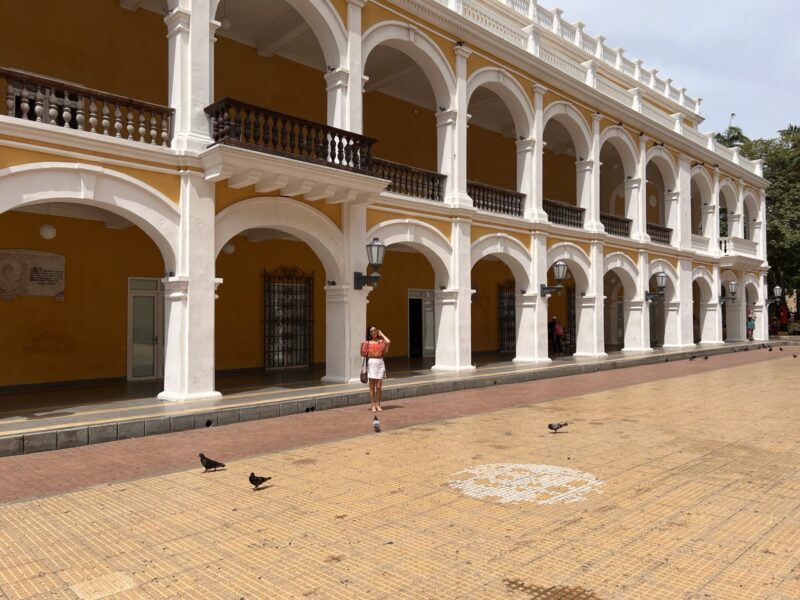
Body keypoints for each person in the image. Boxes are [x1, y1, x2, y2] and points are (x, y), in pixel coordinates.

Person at [360, 325, 390, 412]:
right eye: (371, 331)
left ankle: (378, 405)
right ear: (369, 333)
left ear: (377, 331)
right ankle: (373, 405)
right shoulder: (368, 343)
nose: (373, 332)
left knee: (379, 387)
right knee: (372, 387)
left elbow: (388, 341)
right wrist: (361, 346)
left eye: (375, 330)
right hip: (372, 363)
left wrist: (381, 334)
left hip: (380, 363)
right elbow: (362, 354)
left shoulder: (381, 341)